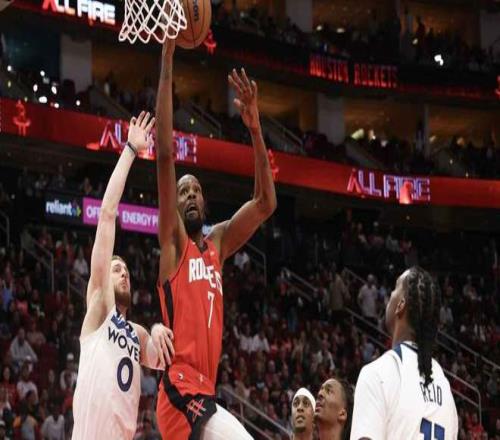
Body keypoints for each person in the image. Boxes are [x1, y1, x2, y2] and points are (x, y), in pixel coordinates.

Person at [155, 39, 276, 439]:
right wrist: (168, 59)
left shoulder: (217, 244)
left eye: (195, 191)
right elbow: (165, 155)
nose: (189, 195)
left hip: (204, 389)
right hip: (180, 389)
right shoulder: (174, 244)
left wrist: (255, 128)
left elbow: (265, 203)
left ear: (204, 202)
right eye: (183, 191)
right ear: (174, 205)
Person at [72, 112, 175, 440]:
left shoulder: (136, 334)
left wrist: (157, 330)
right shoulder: (100, 306)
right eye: (117, 270)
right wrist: (130, 150)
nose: (123, 274)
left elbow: (165, 359)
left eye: (126, 271)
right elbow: (106, 215)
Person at [350, 267, 458, 440]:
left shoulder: (378, 373)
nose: (390, 295)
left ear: (400, 305)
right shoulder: (445, 386)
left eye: (395, 288)